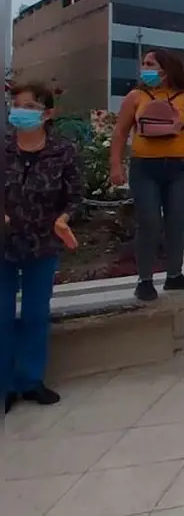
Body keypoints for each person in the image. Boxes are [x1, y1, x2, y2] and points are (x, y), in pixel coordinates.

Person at [110, 49, 184, 302]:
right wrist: (115, 164)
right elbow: (120, 132)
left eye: (150, 64)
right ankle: (145, 280)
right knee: (148, 223)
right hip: (144, 167)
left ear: (166, 69)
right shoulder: (135, 97)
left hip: (179, 167)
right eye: (143, 63)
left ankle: (174, 275)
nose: (144, 67)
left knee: (176, 221)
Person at [3, 82, 83, 414]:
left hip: (43, 244)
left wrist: (64, 219)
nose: (18, 112)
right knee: (3, 316)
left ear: (47, 114)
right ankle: (6, 385)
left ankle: (32, 380)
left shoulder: (63, 152)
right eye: (15, 105)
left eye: (28, 107)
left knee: (36, 314)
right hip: (4, 246)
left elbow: (75, 196)